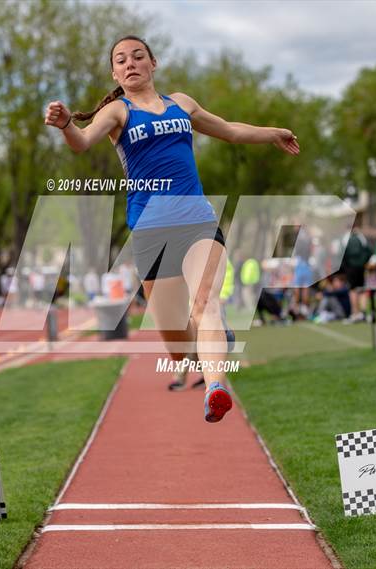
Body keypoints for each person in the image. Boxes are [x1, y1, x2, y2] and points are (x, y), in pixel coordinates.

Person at [44, 35, 300, 422]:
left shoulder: (181, 103)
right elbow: (81, 143)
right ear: (114, 72)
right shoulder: (118, 111)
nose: (130, 63)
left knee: (205, 304)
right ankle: (204, 349)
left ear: (153, 62)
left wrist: (273, 133)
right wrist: (65, 125)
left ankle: (216, 387)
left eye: (137, 56)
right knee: (177, 347)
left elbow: (229, 129)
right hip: (150, 231)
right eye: (121, 60)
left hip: (196, 220)